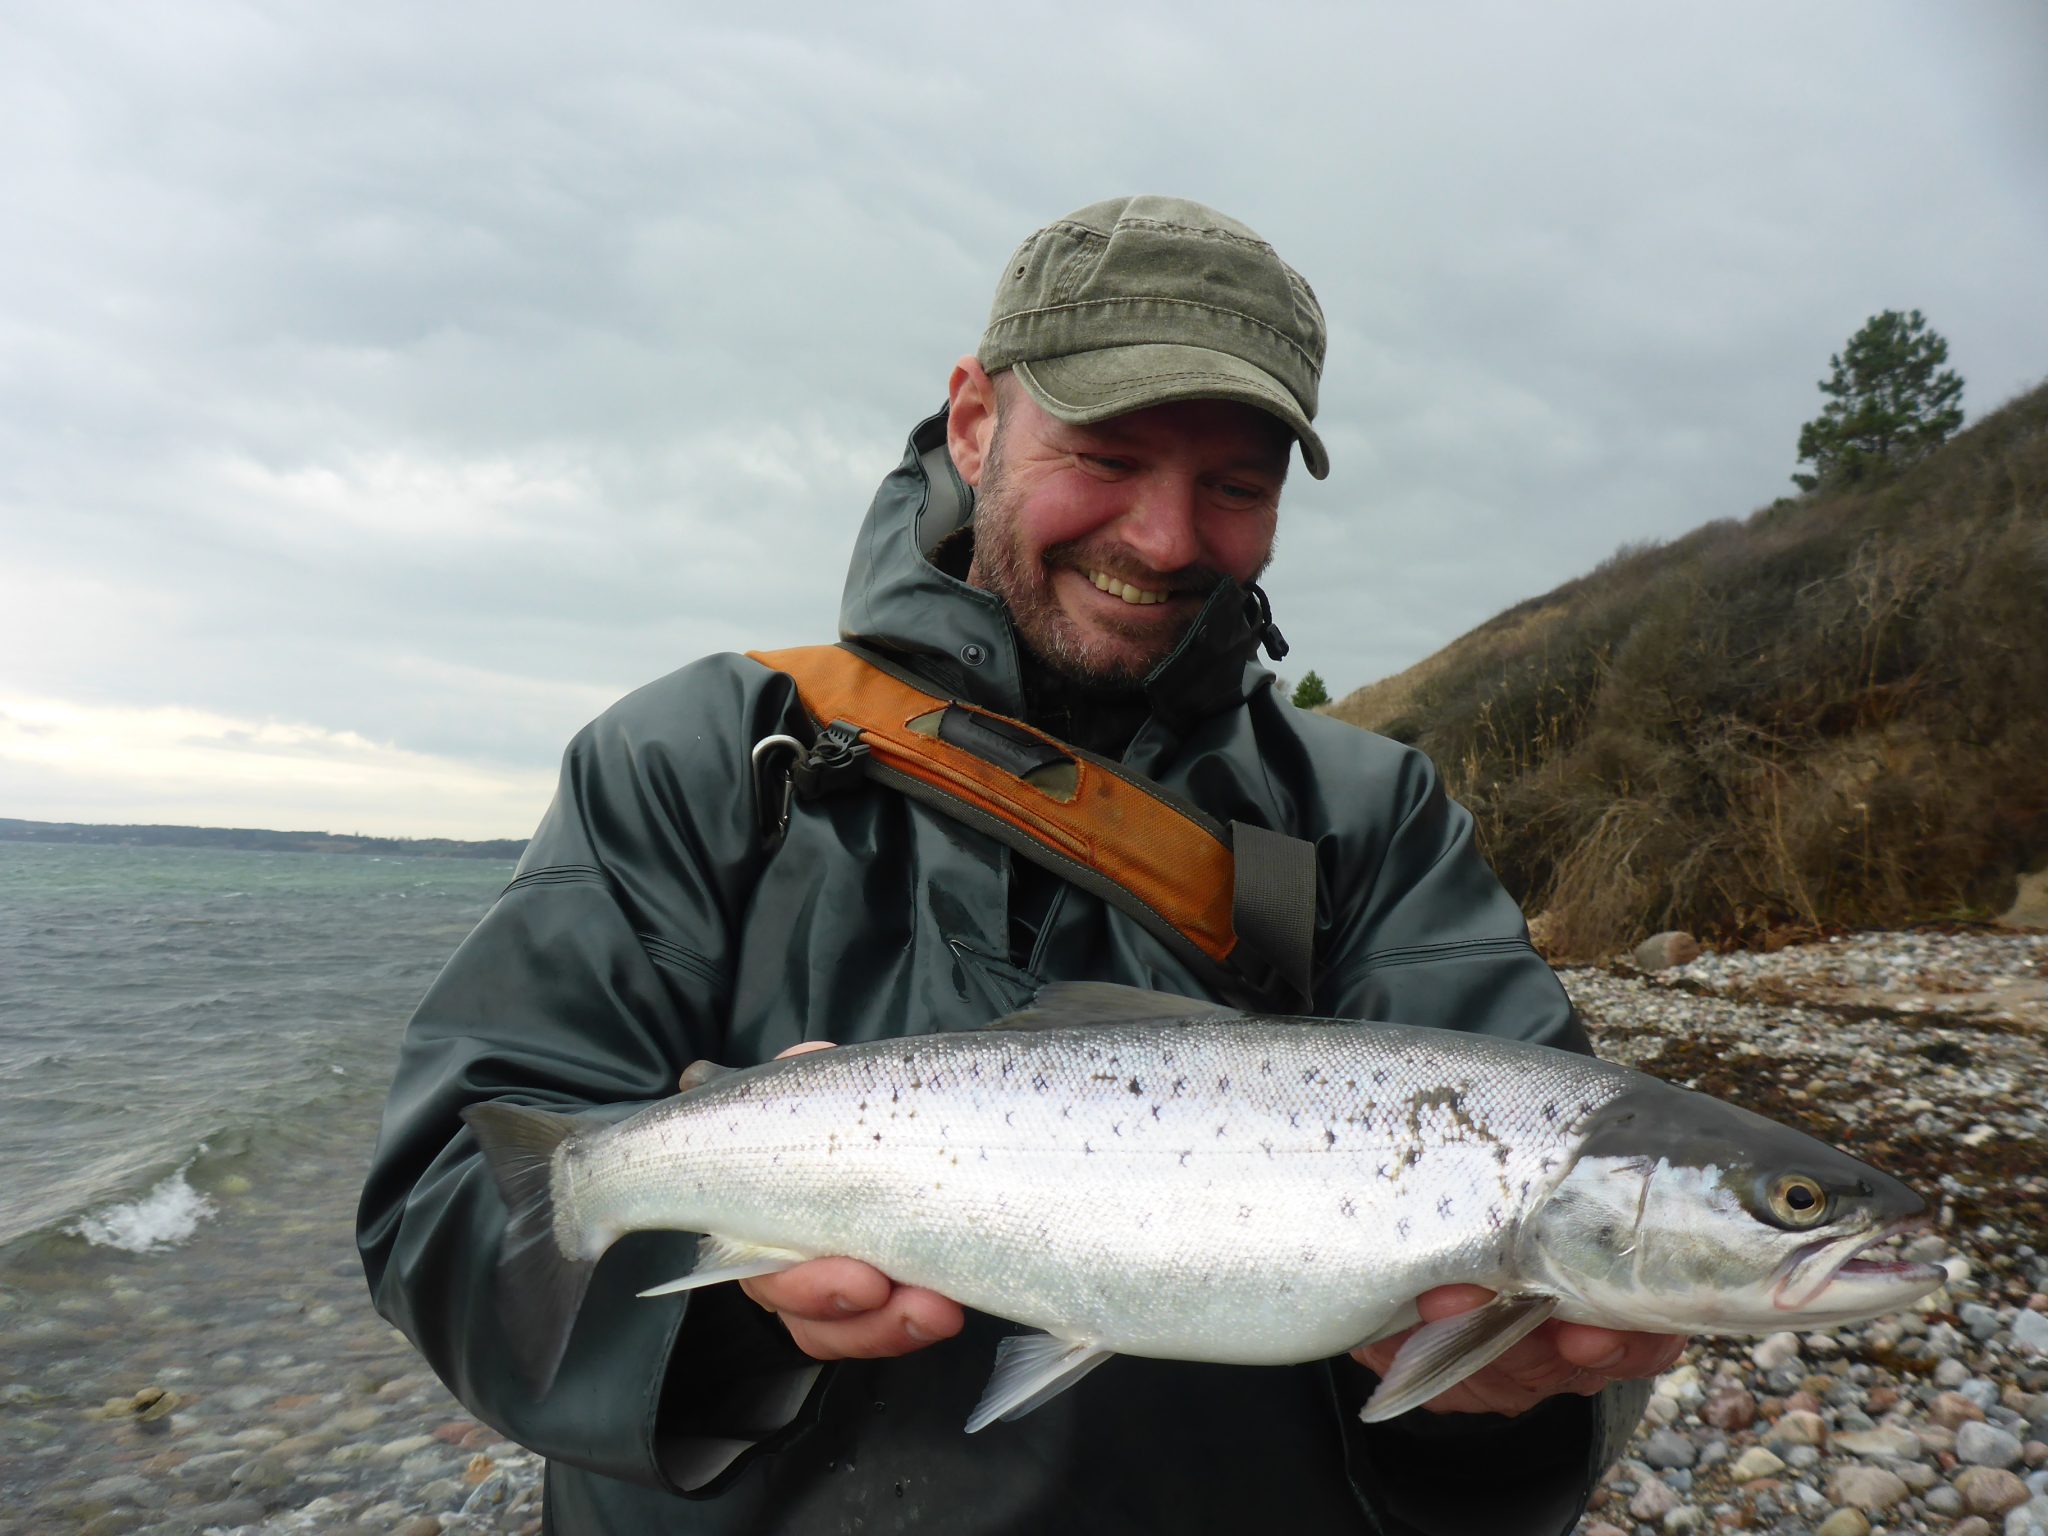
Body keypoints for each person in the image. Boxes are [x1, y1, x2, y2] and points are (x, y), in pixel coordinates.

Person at [358, 195, 1680, 1534]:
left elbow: (1563, 1306)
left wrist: (1500, 1404)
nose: (1165, 540)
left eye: (1234, 485)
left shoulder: (1370, 816)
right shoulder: (701, 757)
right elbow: (449, 1213)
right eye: (1107, 454)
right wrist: (743, 1321)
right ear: (975, 422)